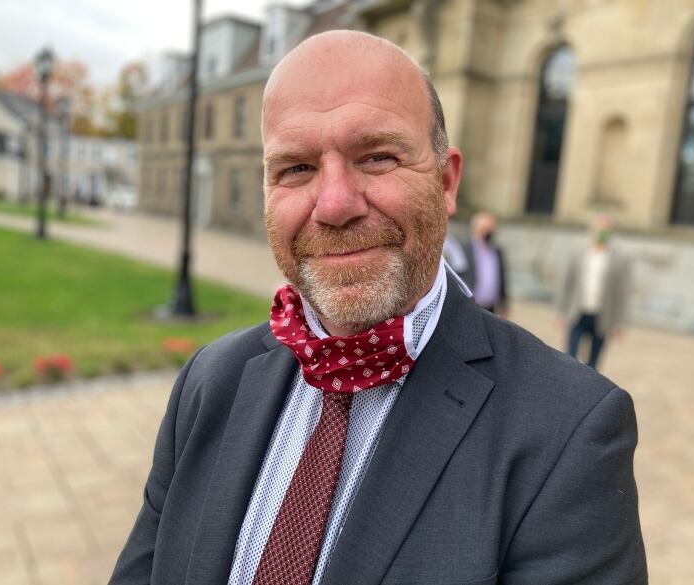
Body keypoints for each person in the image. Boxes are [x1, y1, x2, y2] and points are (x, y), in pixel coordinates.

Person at [110, 31, 646, 585]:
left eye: (378, 157)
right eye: (296, 168)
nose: (336, 204)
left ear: (445, 181)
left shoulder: (570, 430)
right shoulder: (208, 380)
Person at [557, 215, 631, 370]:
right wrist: (561, 311)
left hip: (602, 317)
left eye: (606, 230)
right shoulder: (579, 254)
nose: (602, 232)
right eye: (599, 228)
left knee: (594, 363)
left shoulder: (620, 259)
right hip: (578, 313)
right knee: (569, 357)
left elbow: (622, 294)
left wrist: (619, 323)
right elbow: (567, 284)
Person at [459, 212, 509, 315]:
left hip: (491, 308)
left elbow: (502, 278)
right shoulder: (464, 249)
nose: (489, 232)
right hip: (470, 305)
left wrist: (504, 303)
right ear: (475, 228)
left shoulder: (497, 251)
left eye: (491, 228)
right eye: (485, 228)